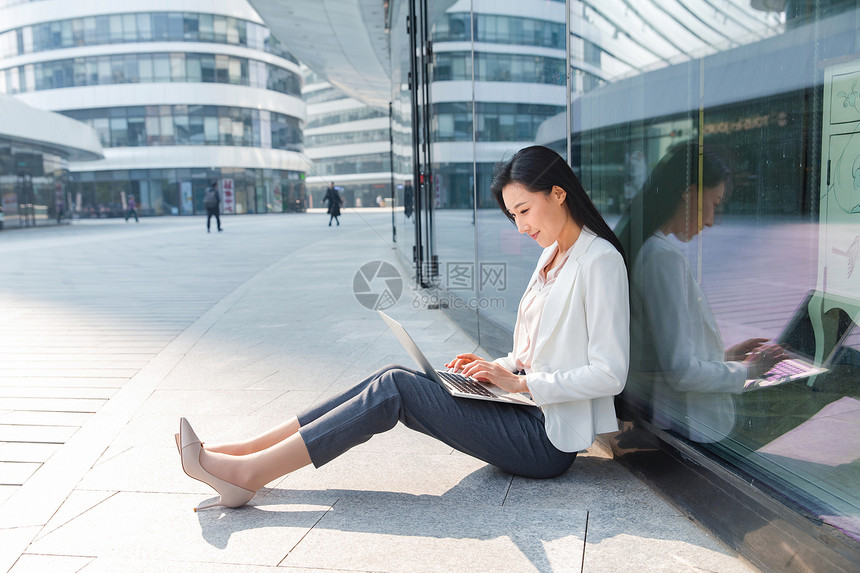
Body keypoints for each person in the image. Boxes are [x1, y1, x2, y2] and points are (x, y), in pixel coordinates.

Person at [176, 145, 630, 511]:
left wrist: (521, 382)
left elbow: (611, 373)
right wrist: (494, 368)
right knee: (394, 371)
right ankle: (245, 452)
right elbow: (536, 351)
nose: (520, 226)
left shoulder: (600, 261)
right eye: (513, 215)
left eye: (525, 210)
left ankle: (249, 475)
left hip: (547, 441)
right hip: (523, 409)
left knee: (396, 388)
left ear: (558, 193)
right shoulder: (551, 255)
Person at [621, 143, 786, 442]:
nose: (712, 220)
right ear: (690, 192)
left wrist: (725, 358)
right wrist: (748, 371)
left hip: (668, 412)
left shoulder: (645, 247)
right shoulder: (662, 257)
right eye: (715, 202)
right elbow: (680, 372)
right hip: (693, 421)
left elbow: (661, 355)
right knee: (825, 381)